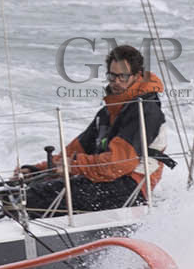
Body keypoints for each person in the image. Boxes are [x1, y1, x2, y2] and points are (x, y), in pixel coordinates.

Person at [12, 44, 175, 215]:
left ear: (136, 76)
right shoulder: (108, 112)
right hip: (106, 179)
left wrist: (74, 166)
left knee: (35, 197)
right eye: (112, 76)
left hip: (132, 187)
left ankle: (20, 232)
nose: (116, 82)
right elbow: (74, 151)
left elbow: (119, 165)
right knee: (20, 191)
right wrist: (39, 170)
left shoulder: (144, 111)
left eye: (123, 77)